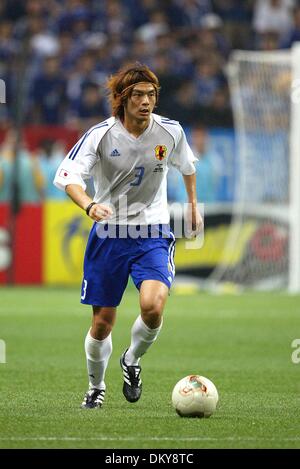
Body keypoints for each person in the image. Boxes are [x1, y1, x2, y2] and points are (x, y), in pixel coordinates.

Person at [53, 63, 202, 409]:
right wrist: (89, 206)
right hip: (109, 234)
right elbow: (68, 177)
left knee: (152, 307)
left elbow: (188, 166)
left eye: (151, 94)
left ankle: (132, 359)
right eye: (138, 95)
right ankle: (96, 386)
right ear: (123, 98)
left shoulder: (170, 131)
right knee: (102, 323)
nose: (146, 101)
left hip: (153, 232)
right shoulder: (100, 135)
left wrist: (193, 205)